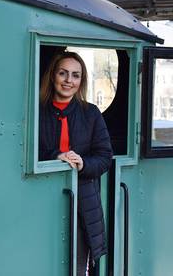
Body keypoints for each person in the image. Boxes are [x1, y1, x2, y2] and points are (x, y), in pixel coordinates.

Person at [38, 51, 113, 275]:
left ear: (81, 81)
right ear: (53, 76)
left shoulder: (90, 113)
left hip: (83, 204)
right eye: (63, 73)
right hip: (40, 200)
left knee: (78, 267)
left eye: (75, 75)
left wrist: (82, 163)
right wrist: (55, 156)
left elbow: (104, 157)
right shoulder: (37, 110)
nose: (69, 80)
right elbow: (26, 150)